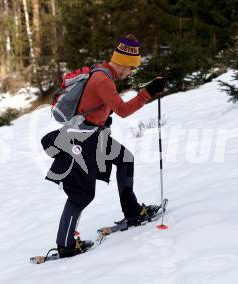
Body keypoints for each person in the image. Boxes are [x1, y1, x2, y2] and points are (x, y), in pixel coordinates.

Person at [43, 34, 166, 258]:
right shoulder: (103, 80)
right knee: (82, 194)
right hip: (82, 141)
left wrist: (102, 117)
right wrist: (147, 92)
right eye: (132, 68)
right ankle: (66, 244)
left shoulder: (101, 72)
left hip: (95, 135)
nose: (131, 73)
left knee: (125, 159)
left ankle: (133, 212)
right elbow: (123, 110)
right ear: (124, 64)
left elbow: (98, 106)